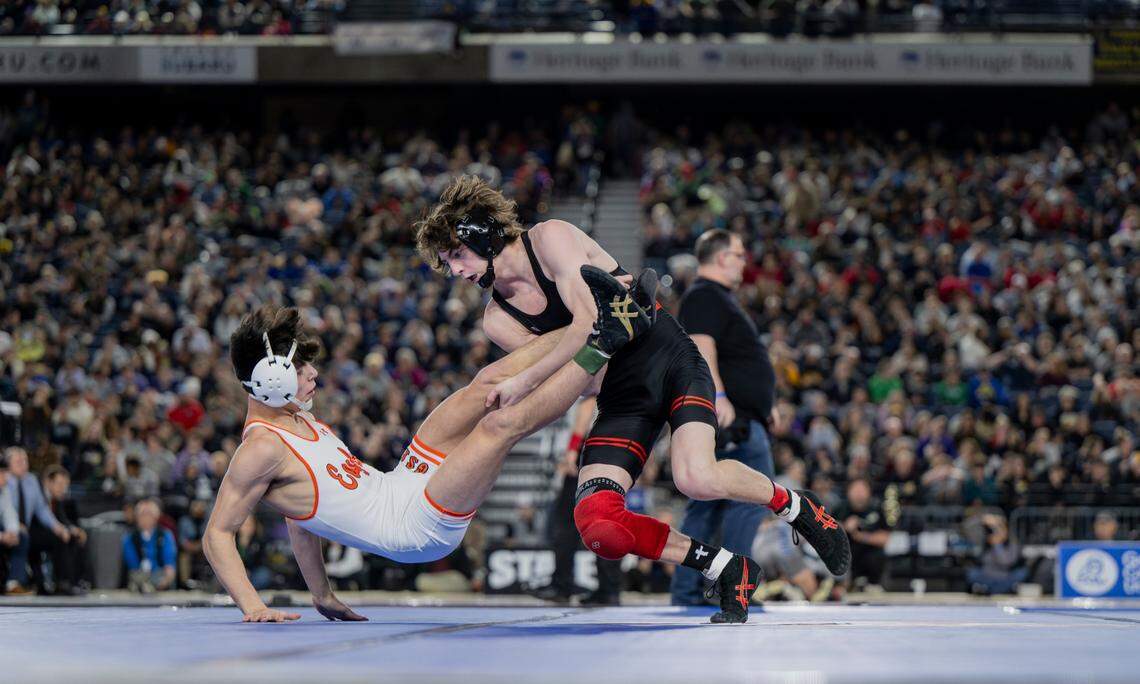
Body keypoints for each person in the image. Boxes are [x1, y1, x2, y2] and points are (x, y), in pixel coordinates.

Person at [418, 175, 850, 623]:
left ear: (481, 236)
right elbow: (584, 377)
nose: (455, 271)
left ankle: (798, 507)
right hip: (619, 393)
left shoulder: (550, 238)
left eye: (456, 256)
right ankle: (726, 567)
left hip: (669, 359)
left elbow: (587, 323)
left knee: (694, 477)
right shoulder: (497, 319)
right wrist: (574, 363)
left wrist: (527, 379)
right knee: (598, 523)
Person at [204, 268, 651, 622]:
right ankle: (605, 342)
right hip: (415, 529)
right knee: (500, 424)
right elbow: (217, 534)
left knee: (487, 385)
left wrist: (321, 595)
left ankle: (597, 314)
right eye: (302, 371)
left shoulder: (298, 417)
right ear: (272, 381)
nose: (314, 375)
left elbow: (302, 520)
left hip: (403, 484)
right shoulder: (260, 448)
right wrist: (254, 606)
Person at [670, 229, 781, 606]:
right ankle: (733, 589)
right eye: (738, 254)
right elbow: (701, 346)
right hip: (733, 419)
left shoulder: (714, 298)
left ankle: (688, 591)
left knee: (708, 502)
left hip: (745, 415)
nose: (743, 261)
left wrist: (766, 405)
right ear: (720, 257)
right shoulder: (705, 295)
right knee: (748, 499)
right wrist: (716, 395)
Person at [3, 447, 70, 594]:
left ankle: (62, 583)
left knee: (57, 537)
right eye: (18, 461)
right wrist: (14, 527)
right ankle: (16, 583)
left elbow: (42, 509)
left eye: (25, 460)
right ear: (8, 464)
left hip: (26, 528)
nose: (23, 463)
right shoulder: (3, 480)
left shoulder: (32, 480)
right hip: (7, 528)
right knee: (22, 537)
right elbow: (6, 511)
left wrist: (57, 527)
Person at [832, 477, 891, 589]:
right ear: (848, 492)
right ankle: (842, 586)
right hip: (847, 553)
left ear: (869, 492)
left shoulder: (877, 507)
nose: (859, 494)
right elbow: (827, 533)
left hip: (870, 553)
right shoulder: (839, 508)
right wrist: (845, 527)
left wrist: (859, 536)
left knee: (877, 555)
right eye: (855, 490)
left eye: (862, 490)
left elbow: (885, 538)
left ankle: (874, 584)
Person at [41, 465, 88, 595]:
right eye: (60, 484)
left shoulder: (57, 500)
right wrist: (63, 530)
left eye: (66, 485)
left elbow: (63, 520)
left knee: (77, 537)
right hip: (38, 532)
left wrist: (74, 530)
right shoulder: (39, 495)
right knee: (61, 538)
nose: (63, 489)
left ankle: (77, 580)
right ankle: (63, 582)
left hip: (53, 531)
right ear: (48, 482)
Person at [122, 498, 177, 593]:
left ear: (155, 517)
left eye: (148, 514)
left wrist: (167, 579)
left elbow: (169, 561)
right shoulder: (129, 538)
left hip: (160, 576)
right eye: (142, 515)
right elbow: (132, 564)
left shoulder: (165, 535)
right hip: (139, 577)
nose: (145, 518)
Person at [0, 456, 21, 593]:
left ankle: (13, 583)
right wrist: (2, 536)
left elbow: (10, 513)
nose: (5, 477)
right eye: (2, 473)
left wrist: (12, 532)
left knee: (22, 537)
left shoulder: (4, 490)